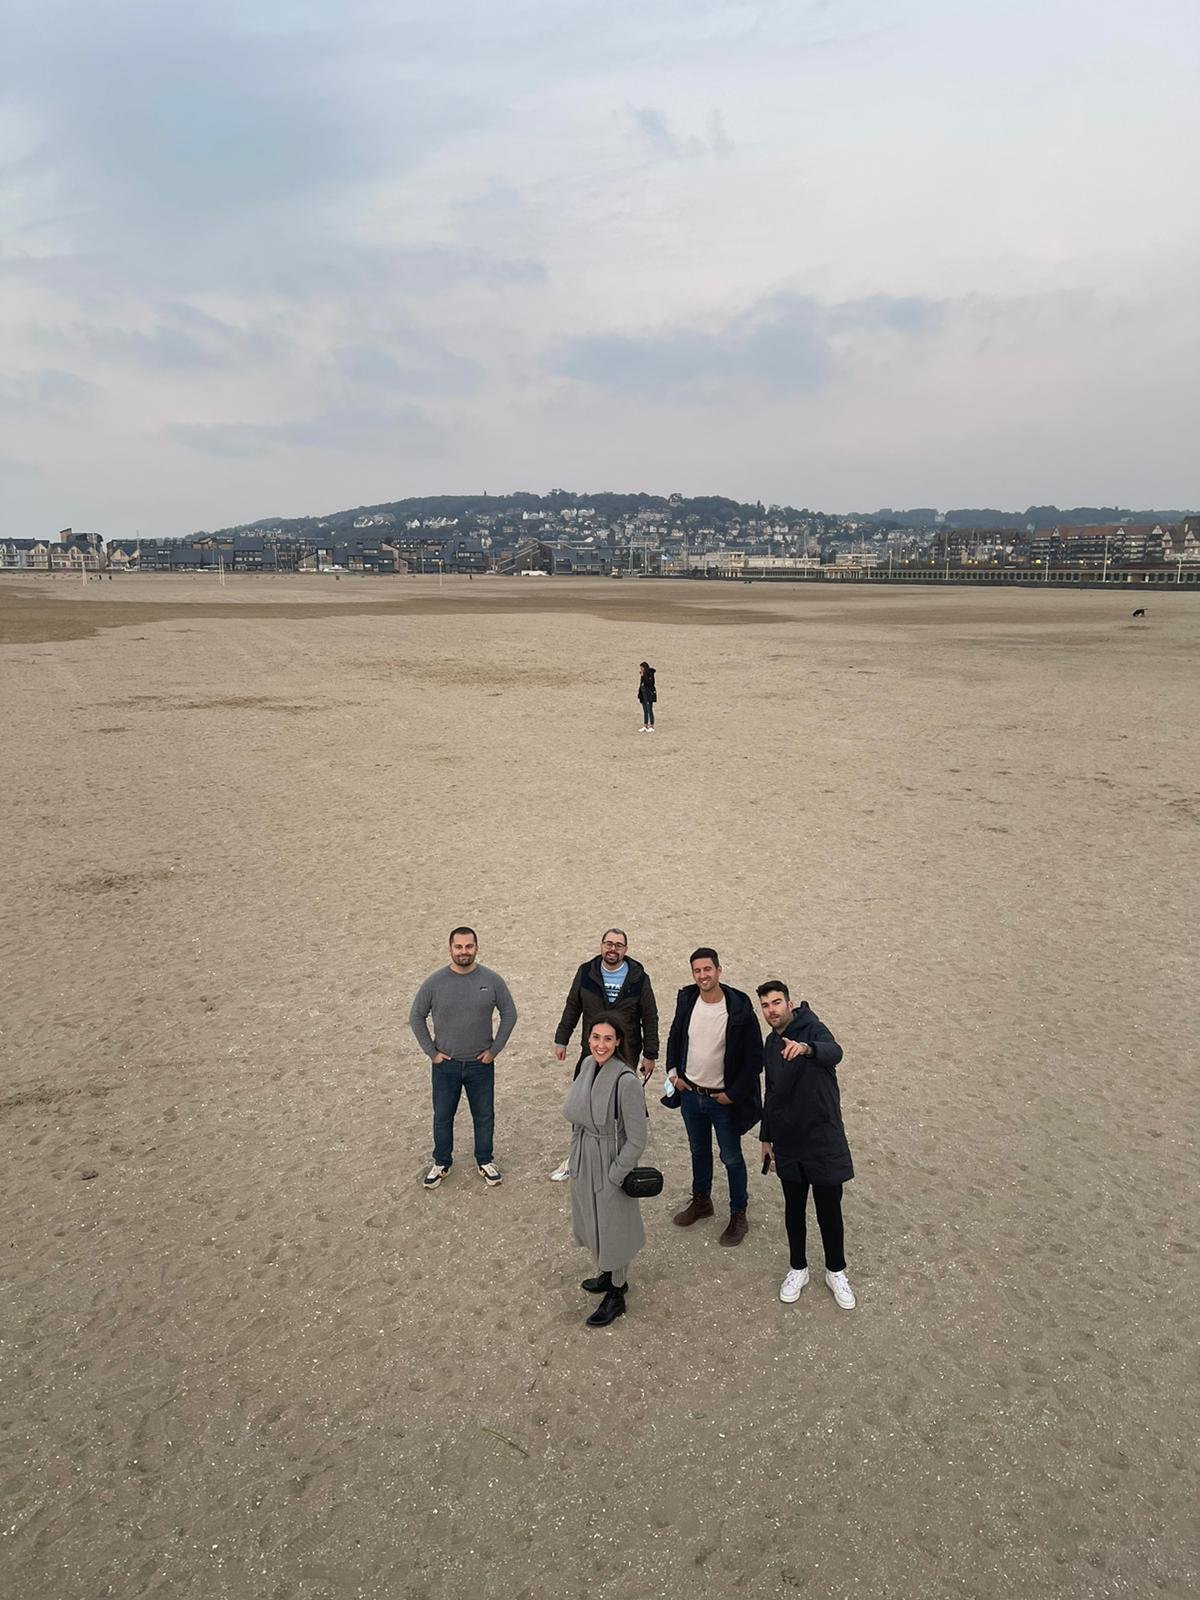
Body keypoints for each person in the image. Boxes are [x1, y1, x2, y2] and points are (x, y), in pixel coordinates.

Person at [756, 980, 856, 1309]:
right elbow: (771, 1092)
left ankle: (835, 1271)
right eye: (766, 1005)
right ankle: (798, 1268)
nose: (772, 1010)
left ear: (789, 1004)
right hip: (788, 1140)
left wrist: (806, 1048)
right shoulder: (771, 1043)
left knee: (829, 1210)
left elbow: (835, 1052)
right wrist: (766, 1136)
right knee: (794, 1209)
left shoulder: (813, 1028)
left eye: (776, 1003)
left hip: (822, 1138)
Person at [665, 947, 763, 1246]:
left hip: (722, 1100)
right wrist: (673, 1074)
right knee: (698, 1151)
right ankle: (702, 1202)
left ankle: (738, 1214)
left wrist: (733, 1094)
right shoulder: (687, 999)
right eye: (697, 971)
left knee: (731, 1158)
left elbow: (754, 1058)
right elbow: (675, 1035)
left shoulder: (739, 1007)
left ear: (719, 970)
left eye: (707, 969)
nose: (702, 975)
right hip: (691, 1094)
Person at [409, 927, 518, 1190]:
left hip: (481, 1064)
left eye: (469, 946)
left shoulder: (491, 980)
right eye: (458, 947)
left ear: (476, 947)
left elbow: (510, 1014)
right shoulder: (435, 982)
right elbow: (416, 1016)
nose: (464, 952)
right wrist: (432, 1053)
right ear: (450, 949)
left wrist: (494, 1050)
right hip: (445, 1065)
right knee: (442, 1116)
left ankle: (485, 1160)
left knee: (484, 1116)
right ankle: (441, 1162)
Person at [548, 929, 659, 1180]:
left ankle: (620, 1157)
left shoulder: (639, 977)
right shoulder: (586, 972)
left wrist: (650, 1053)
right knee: (582, 1102)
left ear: (625, 950)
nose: (613, 949)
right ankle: (576, 1158)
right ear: (601, 945)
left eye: (619, 945)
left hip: (626, 1051)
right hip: (591, 1050)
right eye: (609, 943)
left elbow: (649, 1016)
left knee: (619, 1106)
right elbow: (572, 1006)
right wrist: (561, 1039)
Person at [562, 1014, 648, 1327]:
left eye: (608, 1039)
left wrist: (616, 1174)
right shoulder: (587, 1066)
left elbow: (637, 1139)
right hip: (585, 1155)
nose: (601, 1045)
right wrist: (574, 1156)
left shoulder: (627, 1082)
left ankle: (617, 1292)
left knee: (615, 1227)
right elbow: (577, 1116)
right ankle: (608, 1274)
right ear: (588, 1039)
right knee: (591, 1218)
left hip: (610, 1160)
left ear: (618, 1042)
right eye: (596, 1037)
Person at [637, 661, 657, 732]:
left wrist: (643, 676)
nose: (641, 670)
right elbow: (641, 685)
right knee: (645, 711)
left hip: (649, 695)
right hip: (643, 695)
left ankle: (652, 726)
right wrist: (639, 694)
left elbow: (650, 683)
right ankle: (645, 725)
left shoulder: (650, 674)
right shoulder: (643, 675)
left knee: (649, 710)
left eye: (642, 668)